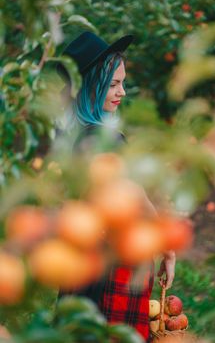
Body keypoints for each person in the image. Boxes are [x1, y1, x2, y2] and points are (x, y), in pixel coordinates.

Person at [57, 31, 176, 342]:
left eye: (122, 82)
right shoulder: (104, 138)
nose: (122, 91)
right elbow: (133, 197)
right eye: (112, 84)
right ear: (89, 87)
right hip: (113, 269)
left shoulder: (75, 134)